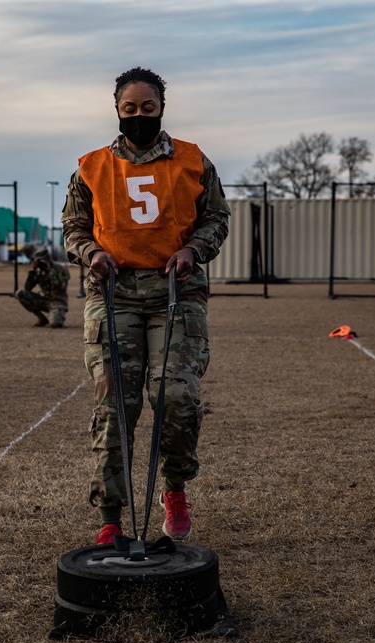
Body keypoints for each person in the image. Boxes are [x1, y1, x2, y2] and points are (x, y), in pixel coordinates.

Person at [62, 67, 230, 545]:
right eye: (129, 108)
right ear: (117, 110)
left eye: (148, 107)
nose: (138, 115)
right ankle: (110, 517)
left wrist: (193, 250)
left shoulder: (194, 161)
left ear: (161, 108)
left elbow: (217, 217)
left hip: (175, 292)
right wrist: (92, 253)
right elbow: (73, 226)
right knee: (116, 403)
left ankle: (174, 490)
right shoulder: (91, 167)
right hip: (114, 295)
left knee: (175, 396)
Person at [14, 247, 70, 328]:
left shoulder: (61, 269)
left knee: (55, 324)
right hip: (43, 300)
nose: (41, 263)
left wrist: (50, 271)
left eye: (43, 260)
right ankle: (41, 318)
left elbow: (61, 287)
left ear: (48, 259)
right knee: (20, 293)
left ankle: (56, 316)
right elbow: (27, 288)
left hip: (58, 301)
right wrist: (33, 272)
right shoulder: (38, 271)